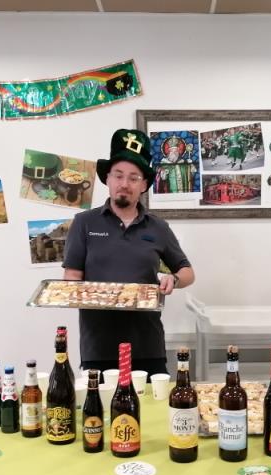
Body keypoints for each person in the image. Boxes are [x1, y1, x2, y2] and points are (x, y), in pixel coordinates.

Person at [63, 128, 195, 376]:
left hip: (148, 346)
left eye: (134, 178)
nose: (124, 184)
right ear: (108, 179)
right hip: (98, 347)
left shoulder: (158, 227)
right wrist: (87, 295)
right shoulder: (84, 223)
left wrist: (174, 279)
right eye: (118, 175)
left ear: (144, 184)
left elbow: (188, 273)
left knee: (152, 403)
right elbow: (71, 278)